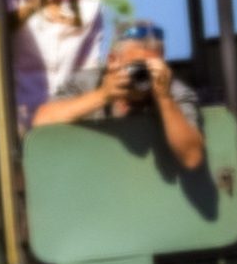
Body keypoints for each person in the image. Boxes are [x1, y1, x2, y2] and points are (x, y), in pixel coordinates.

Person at [30, 19, 205, 171]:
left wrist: (165, 99)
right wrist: (102, 96)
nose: (142, 76)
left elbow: (192, 158)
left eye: (150, 68)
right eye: (136, 67)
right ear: (113, 61)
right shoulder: (88, 83)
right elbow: (41, 121)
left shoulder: (172, 91)